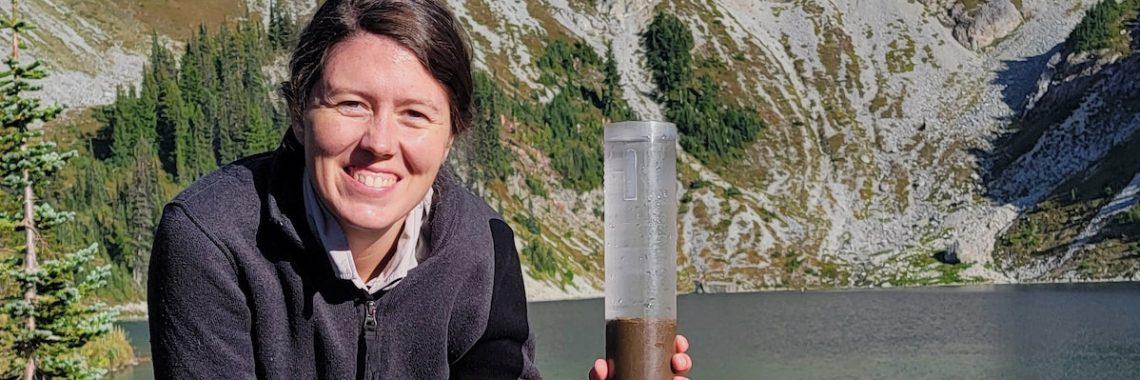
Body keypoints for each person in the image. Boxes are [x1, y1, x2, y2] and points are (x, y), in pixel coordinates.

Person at [147, 0, 692, 378]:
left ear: (452, 134)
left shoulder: (483, 247)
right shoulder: (213, 238)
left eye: (415, 114)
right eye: (351, 104)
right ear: (298, 113)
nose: (380, 142)